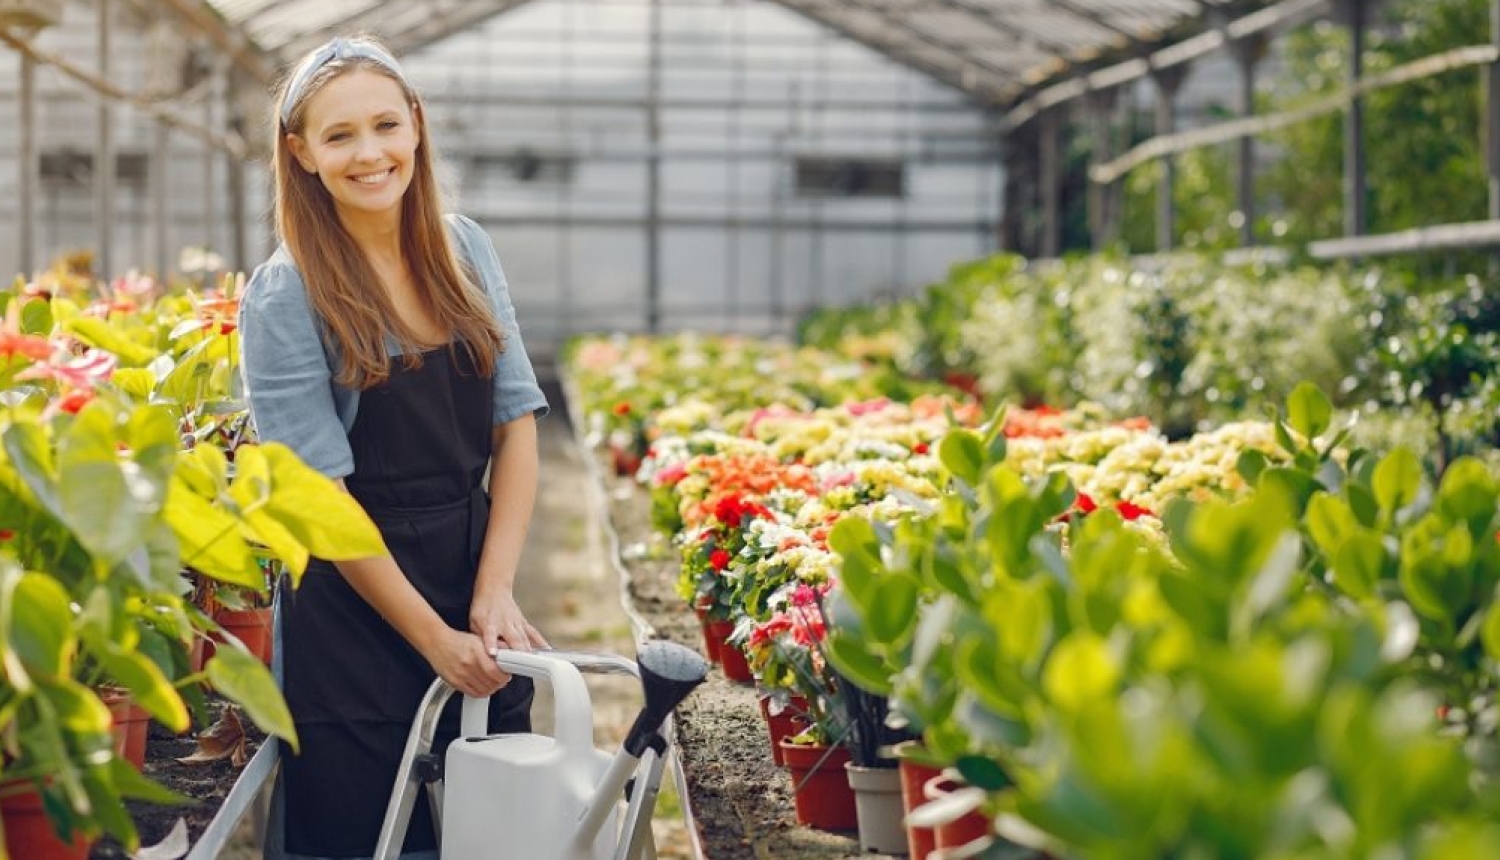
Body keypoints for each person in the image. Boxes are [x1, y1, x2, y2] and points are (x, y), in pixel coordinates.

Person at [238, 35, 550, 859]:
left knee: (502, 828)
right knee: (367, 836)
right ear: (299, 154)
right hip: (354, 605)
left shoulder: (465, 247)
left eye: (385, 124)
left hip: (467, 565)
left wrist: (491, 594)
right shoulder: (287, 292)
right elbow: (319, 502)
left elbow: (516, 424)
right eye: (339, 137)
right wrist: (432, 638)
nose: (370, 153)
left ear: (416, 124)